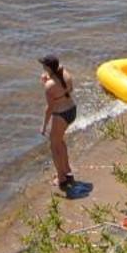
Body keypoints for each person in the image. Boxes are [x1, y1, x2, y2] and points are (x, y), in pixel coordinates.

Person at [39, 54, 77, 194]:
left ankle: (61, 178)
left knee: (54, 146)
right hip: (72, 110)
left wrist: (44, 126)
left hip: (61, 114)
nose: (42, 68)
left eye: (44, 66)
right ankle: (66, 169)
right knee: (60, 140)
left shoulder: (49, 86)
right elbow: (69, 89)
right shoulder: (65, 72)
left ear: (48, 67)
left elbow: (49, 108)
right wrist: (48, 79)